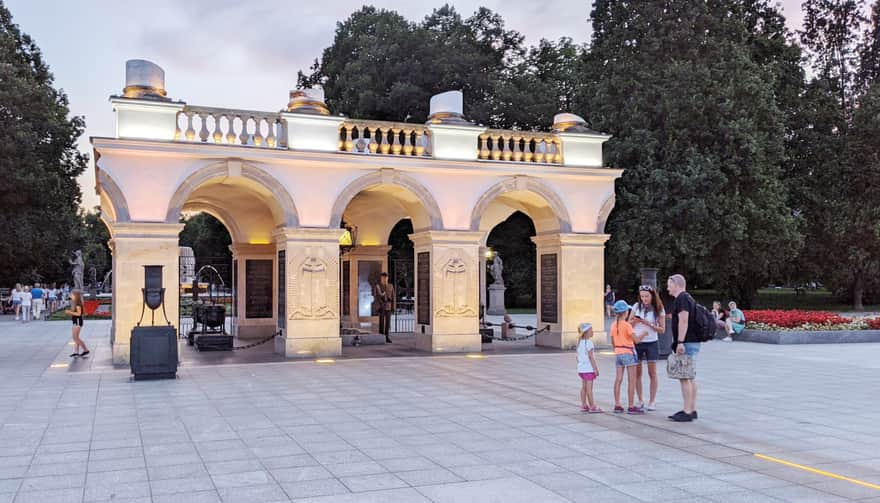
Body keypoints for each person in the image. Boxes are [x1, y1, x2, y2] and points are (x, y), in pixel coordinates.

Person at [666, 274, 701, 422]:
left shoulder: (682, 299)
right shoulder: (688, 298)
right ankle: (691, 409)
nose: (667, 287)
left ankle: (687, 411)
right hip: (692, 341)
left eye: (669, 284)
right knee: (690, 376)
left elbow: (684, 321)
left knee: (685, 376)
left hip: (686, 343)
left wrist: (680, 342)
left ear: (677, 284)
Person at [627, 285, 665, 411]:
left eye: (647, 296)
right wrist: (635, 322)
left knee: (652, 372)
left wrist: (649, 324)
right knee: (638, 373)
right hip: (637, 342)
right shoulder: (636, 306)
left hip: (651, 342)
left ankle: (652, 401)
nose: (644, 299)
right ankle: (640, 399)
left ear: (652, 296)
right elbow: (627, 324)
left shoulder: (658, 309)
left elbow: (662, 329)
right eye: (642, 296)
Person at [610, 300, 644, 415]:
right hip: (628, 352)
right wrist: (644, 334)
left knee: (618, 379)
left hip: (618, 352)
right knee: (631, 380)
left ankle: (617, 404)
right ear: (625, 312)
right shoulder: (627, 325)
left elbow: (613, 342)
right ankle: (631, 405)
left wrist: (617, 350)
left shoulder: (613, 325)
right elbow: (636, 340)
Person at [576, 322, 602, 413]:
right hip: (588, 369)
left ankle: (584, 405)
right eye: (591, 330)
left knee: (584, 387)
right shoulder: (589, 342)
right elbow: (591, 357)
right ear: (586, 332)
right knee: (589, 389)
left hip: (581, 369)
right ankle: (592, 406)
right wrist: (595, 369)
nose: (593, 332)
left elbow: (577, 357)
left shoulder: (579, 342)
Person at [65, 290, 89, 358]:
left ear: (75, 296)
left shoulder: (78, 304)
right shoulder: (76, 303)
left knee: (76, 338)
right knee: (75, 337)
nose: (70, 296)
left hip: (78, 321)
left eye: (72, 295)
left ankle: (85, 350)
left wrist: (69, 312)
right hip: (75, 321)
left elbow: (78, 314)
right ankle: (76, 352)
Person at [372, 272, 395, 343]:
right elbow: (375, 296)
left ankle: (387, 336)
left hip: (388, 307)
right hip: (381, 307)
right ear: (381, 278)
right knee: (381, 322)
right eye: (383, 278)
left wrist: (393, 307)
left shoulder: (391, 286)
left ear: (387, 278)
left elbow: (393, 297)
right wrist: (378, 305)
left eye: (385, 278)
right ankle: (381, 336)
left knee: (388, 323)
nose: (384, 279)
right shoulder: (378, 286)